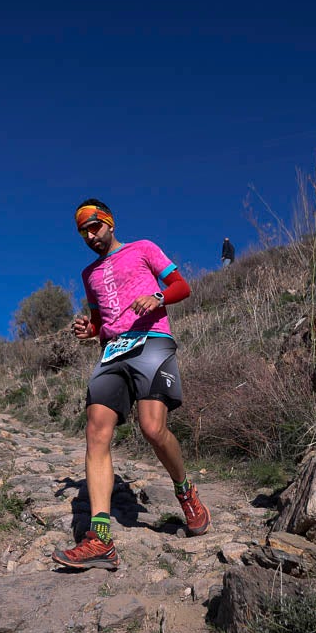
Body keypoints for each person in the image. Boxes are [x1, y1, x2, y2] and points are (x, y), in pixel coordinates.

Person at [52, 199, 210, 571]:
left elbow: (180, 286)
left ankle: (185, 490)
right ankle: (100, 538)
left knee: (153, 428)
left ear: (109, 223)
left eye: (95, 227)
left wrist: (156, 296)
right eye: (84, 232)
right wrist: (86, 330)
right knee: (96, 432)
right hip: (112, 352)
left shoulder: (143, 248)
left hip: (151, 339)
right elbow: (97, 322)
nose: (91, 236)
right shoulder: (88, 274)